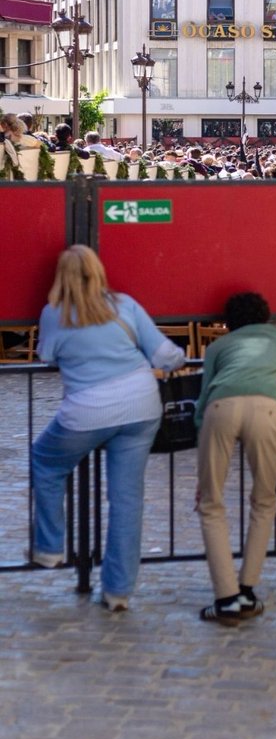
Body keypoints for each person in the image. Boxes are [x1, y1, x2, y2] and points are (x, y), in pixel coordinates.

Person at [30, 246, 185, 610]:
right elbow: (165, 355)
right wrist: (177, 360)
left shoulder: (54, 313)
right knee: (126, 500)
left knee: (46, 461)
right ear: (98, 271)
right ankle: (118, 591)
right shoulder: (125, 305)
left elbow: (46, 355)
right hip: (140, 406)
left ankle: (50, 547)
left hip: (87, 411)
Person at [194, 292, 276, 625]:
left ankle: (226, 598)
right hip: (266, 410)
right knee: (264, 500)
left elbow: (203, 395)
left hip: (221, 408)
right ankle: (247, 589)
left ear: (228, 321)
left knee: (210, 503)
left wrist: (199, 437)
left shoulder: (217, 347)